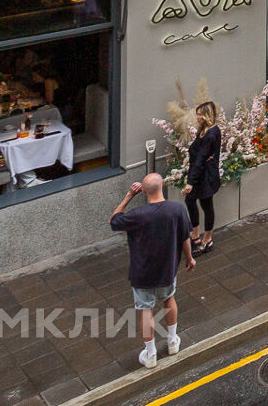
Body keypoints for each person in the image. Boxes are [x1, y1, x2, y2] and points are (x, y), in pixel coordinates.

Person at [109, 172, 194, 369]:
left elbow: (113, 221)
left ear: (144, 191)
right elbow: (185, 237)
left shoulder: (137, 215)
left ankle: (151, 353)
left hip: (142, 273)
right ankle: (172, 342)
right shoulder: (177, 210)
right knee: (169, 299)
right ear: (162, 184)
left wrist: (129, 196)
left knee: (145, 310)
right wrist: (190, 258)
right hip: (167, 269)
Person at [182, 102, 221, 255]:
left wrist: (190, 183)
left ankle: (207, 239)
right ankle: (196, 234)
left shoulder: (211, 134)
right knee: (190, 200)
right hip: (200, 173)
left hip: (205, 177)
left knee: (206, 206)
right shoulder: (204, 130)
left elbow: (200, 158)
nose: (197, 117)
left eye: (200, 114)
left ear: (207, 115)